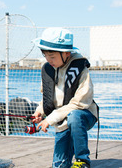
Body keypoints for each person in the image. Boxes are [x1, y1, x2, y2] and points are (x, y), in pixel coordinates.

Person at [32, 27, 99, 168]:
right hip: (61, 121)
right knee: (59, 165)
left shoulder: (80, 70)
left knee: (74, 117)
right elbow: (48, 97)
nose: (48, 60)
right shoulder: (48, 70)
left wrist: (49, 120)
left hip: (84, 114)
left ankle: (82, 160)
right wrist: (39, 112)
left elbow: (79, 104)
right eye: (45, 56)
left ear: (66, 54)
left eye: (52, 56)